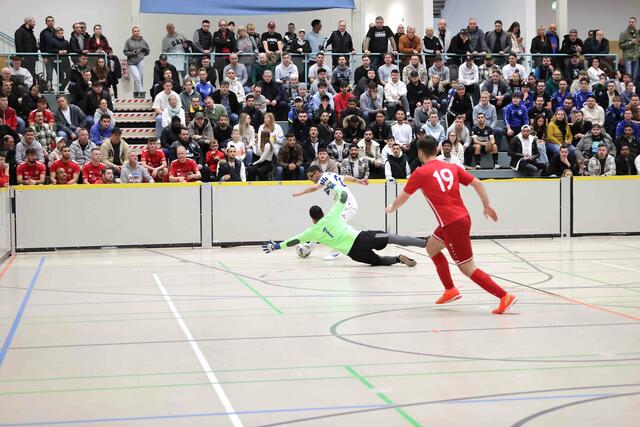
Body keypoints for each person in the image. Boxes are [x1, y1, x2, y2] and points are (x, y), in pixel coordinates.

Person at [386, 136, 517, 313]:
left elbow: (402, 198)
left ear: (420, 153)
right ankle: (450, 290)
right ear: (437, 150)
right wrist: (486, 205)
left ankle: (504, 296)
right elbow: (477, 183)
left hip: (452, 225)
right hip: (459, 219)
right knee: (432, 247)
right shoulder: (452, 167)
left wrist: (392, 208)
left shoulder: (420, 173)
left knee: (467, 267)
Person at [264, 188, 422, 266]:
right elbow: (344, 197)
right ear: (322, 213)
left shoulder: (312, 232)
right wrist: (337, 186)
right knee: (392, 237)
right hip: (361, 238)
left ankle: (398, 259)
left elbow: (293, 240)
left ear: (312, 219)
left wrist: (276, 246)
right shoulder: (332, 215)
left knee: (378, 261)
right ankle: (424, 242)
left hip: (352, 253)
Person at [123, 27, 150, 98]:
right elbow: (125, 52)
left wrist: (143, 54)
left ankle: (137, 93)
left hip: (140, 60)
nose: (136, 32)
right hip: (131, 62)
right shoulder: (128, 41)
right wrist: (132, 53)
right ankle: (141, 93)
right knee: (137, 77)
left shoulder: (143, 41)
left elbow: (148, 50)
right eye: (135, 31)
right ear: (132, 32)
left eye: (138, 31)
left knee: (139, 78)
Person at [619, 17, 640, 85]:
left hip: (636, 57)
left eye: (633, 22)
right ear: (628, 22)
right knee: (628, 75)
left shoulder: (638, 33)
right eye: (630, 21)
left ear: (635, 23)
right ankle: (627, 88)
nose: (631, 23)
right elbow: (621, 45)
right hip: (628, 57)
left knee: (635, 76)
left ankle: (632, 89)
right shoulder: (623, 33)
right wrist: (630, 42)